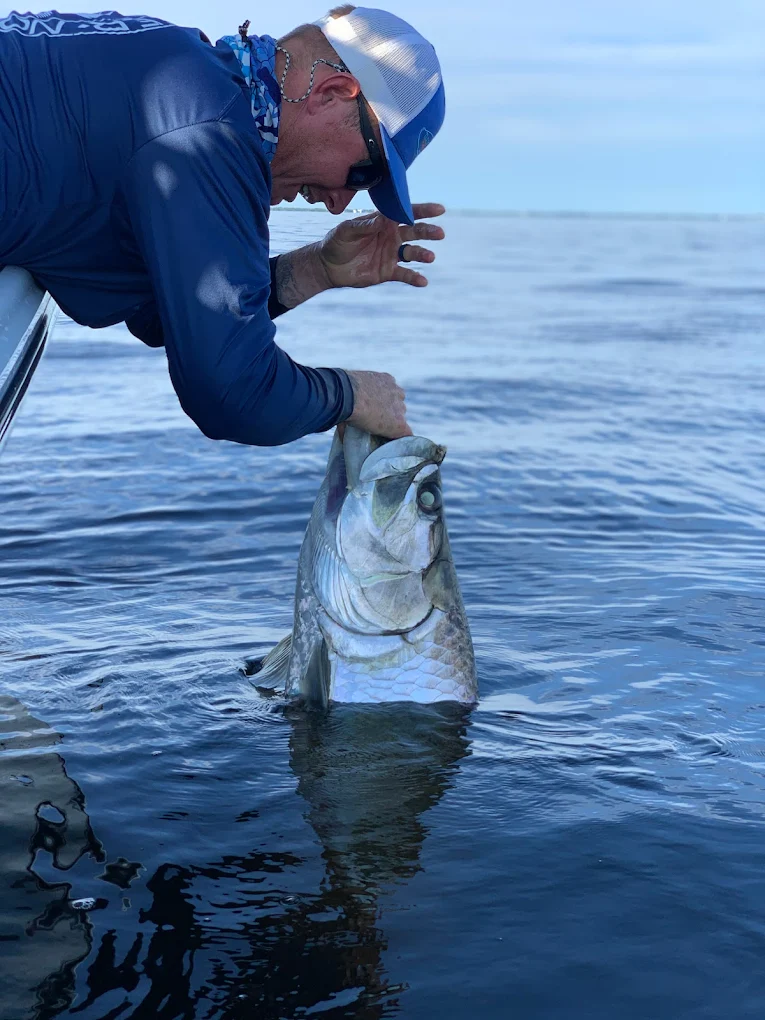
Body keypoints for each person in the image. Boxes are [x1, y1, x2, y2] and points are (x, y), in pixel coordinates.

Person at [0, 5, 446, 445]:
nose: (338, 202)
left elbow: (162, 312)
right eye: (365, 172)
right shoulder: (207, 132)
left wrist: (317, 269)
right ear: (331, 93)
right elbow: (235, 396)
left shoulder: (178, 66)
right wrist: (354, 395)